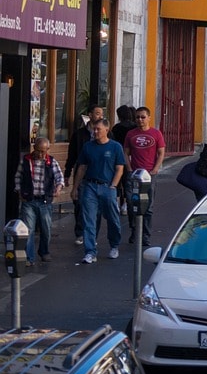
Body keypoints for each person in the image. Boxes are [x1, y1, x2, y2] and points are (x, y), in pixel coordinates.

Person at [73, 119, 126, 264]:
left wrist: (113, 186)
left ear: (106, 130)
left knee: (112, 218)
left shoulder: (115, 147)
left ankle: (114, 245)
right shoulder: (88, 147)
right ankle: (90, 251)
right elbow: (82, 167)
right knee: (88, 219)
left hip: (107, 186)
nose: (95, 132)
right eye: (94, 129)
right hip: (90, 186)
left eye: (98, 129)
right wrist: (75, 188)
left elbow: (119, 169)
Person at [13, 137, 64, 264]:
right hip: (29, 199)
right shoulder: (25, 161)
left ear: (47, 150)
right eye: (38, 150)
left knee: (46, 229)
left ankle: (44, 251)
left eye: (43, 151)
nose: (40, 154)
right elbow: (18, 176)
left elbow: (59, 177)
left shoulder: (51, 162)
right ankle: (29, 257)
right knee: (28, 229)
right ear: (34, 148)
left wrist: (58, 188)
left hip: (44, 200)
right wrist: (19, 191)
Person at [124, 107, 165, 247]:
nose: (140, 120)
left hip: (149, 175)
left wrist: (155, 169)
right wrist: (129, 169)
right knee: (131, 204)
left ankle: (145, 235)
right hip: (134, 174)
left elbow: (161, 152)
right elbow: (126, 152)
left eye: (142, 117)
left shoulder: (156, 133)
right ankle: (134, 231)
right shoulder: (130, 134)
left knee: (148, 206)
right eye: (137, 117)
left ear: (149, 118)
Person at [66, 105, 102, 247]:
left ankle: (93, 234)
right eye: (97, 113)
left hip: (99, 175)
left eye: (101, 114)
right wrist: (67, 174)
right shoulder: (79, 134)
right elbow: (72, 155)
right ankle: (80, 232)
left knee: (97, 208)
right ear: (90, 115)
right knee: (80, 204)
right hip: (82, 175)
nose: (100, 116)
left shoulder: (107, 134)